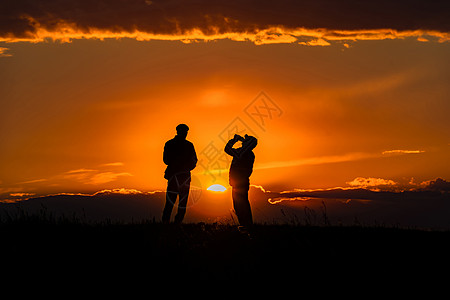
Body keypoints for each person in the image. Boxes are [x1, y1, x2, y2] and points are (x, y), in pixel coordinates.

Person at [162, 124, 197, 224]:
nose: (185, 133)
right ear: (178, 131)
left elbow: (194, 160)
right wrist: (182, 166)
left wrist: (185, 168)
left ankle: (173, 224)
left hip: (182, 177)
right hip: (177, 177)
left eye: (186, 132)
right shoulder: (171, 144)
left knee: (179, 203)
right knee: (172, 203)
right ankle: (167, 224)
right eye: (184, 131)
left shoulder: (187, 145)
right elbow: (166, 159)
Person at [224, 134, 258, 228]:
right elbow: (228, 149)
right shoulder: (245, 152)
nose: (243, 142)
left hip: (240, 183)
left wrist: (234, 140)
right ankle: (245, 225)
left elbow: (227, 149)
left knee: (241, 204)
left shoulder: (245, 153)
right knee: (239, 204)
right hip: (238, 183)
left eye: (245, 141)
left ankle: (247, 225)